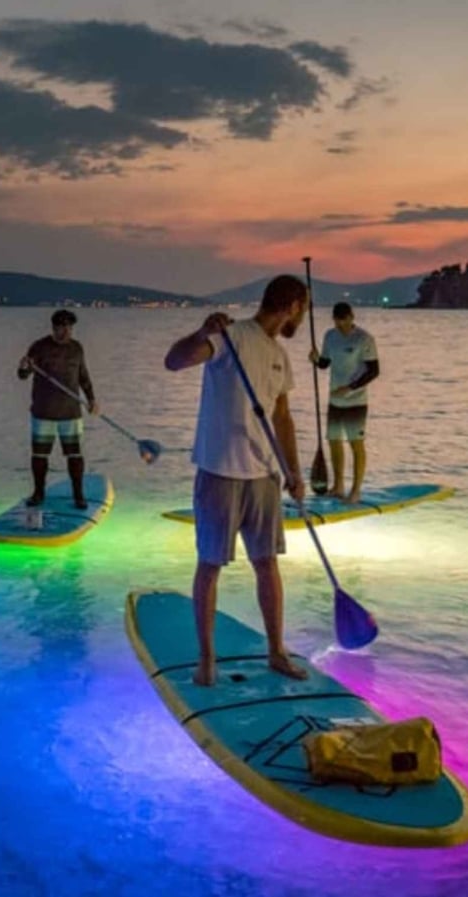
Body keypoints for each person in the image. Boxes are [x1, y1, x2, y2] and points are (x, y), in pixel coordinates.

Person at [164, 276, 311, 687]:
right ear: (294, 305)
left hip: (263, 474)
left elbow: (282, 418)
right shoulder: (231, 337)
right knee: (210, 565)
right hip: (220, 471)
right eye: (305, 307)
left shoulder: (280, 355)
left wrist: (293, 472)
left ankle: (277, 652)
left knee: (267, 564)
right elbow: (173, 361)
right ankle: (207, 660)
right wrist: (201, 332)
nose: (303, 315)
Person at [17, 309, 98, 509]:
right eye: (63, 327)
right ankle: (38, 494)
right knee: (39, 455)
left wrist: (92, 400)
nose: (67, 331)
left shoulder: (77, 348)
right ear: (54, 327)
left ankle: (78, 495)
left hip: (71, 412)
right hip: (43, 411)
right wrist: (23, 367)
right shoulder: (39, 347)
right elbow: (22, 375)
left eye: (70, 327)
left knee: (75, 455)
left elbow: (83, 377)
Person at [310, 301, 379, 503]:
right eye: (337, 321)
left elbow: (374, 371)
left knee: (356, 444)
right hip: (334, 400)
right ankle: (338, 486)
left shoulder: (364, 339)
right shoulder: (330, 336)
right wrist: (315, 359)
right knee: (333, 441)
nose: (340, 325)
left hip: (356, 401)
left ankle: (356, 490)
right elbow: (325, 364)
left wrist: (350, 388)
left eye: (344, 320)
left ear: (351, 317)